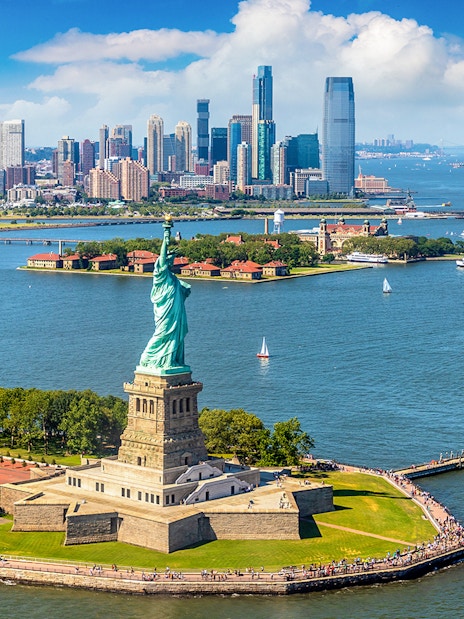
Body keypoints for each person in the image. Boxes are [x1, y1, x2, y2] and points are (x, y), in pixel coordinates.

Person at [138, 216, 191, 373]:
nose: (172, 262)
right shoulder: (161, 274)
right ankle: (148, 359)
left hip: (176, 312)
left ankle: (171, 360)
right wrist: (166, 233)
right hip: (166, 312)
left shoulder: (172, 278)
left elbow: (184, 291)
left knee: (176, 334)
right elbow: (162, 255)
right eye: (170, 260)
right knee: (162, 333)